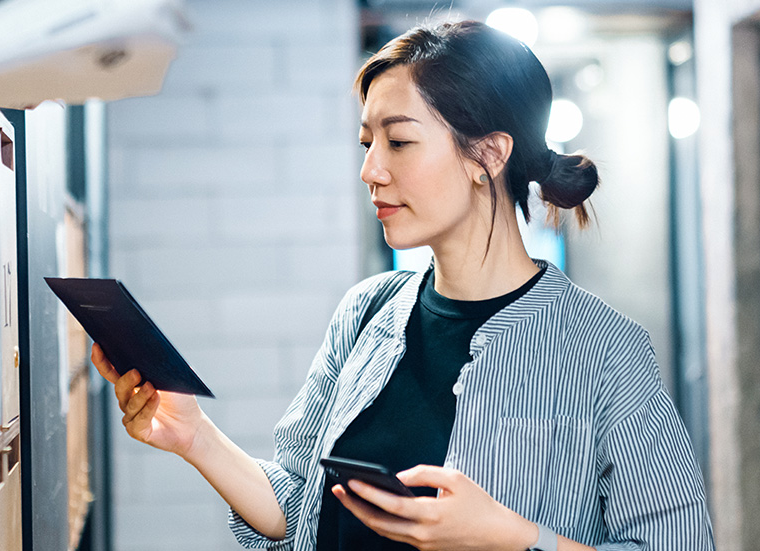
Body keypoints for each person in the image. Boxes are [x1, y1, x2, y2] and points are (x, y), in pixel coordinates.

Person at [92, 20, 714, 551]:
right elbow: (299, 509)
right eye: (367, 143)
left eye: (399, 141)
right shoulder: (366, 312)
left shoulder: (604, 348)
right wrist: (194, 435)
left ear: (488, 156)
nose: (370, 170)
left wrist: (511, 535)